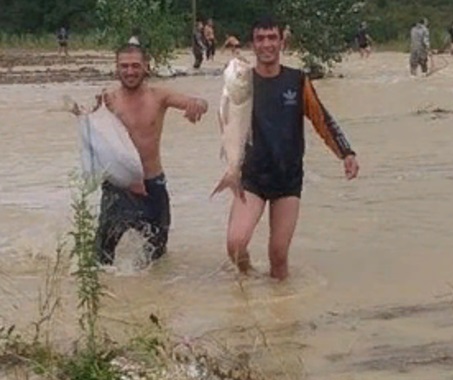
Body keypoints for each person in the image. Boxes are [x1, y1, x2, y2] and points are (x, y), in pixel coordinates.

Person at [224, 15, 360, 281]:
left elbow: (323, 119)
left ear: (281, 42)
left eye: (272, 38)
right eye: (260, 39)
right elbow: (227, 122)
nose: (266, 44)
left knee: (278, 255)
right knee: (235, 244)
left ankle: (283, 314)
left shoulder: (297, 81)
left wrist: (346, 152)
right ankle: (247, 278)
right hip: (252, 177)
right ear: (253, 44)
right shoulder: (241, 81)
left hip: (287, 179)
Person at [71, 44, 208, 267]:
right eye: (124, 66)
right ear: (116, 68)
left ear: (146, 66)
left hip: (153, 186)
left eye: (135, 65)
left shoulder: (159, 96)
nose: (130, 71)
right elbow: (92, 135)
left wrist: (198, 105)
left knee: (157, 259)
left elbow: (199, 102)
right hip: (118, 188)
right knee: (101, 260)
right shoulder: (107, 99)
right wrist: (81, 114)